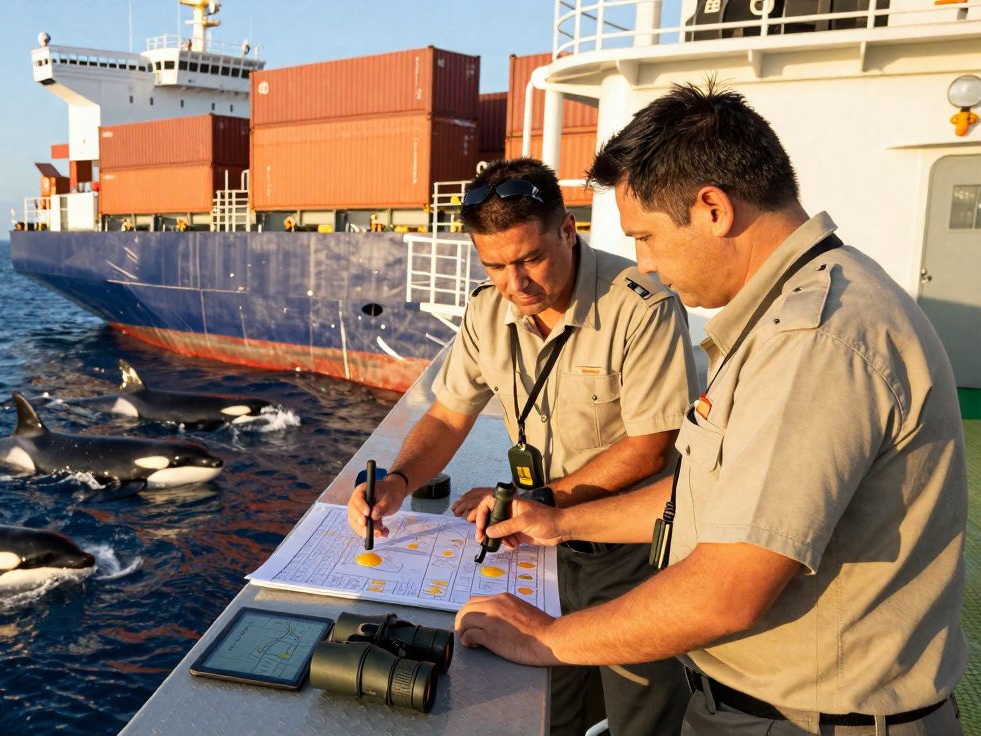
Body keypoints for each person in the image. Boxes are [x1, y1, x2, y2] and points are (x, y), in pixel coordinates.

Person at [455, 82, 967, 734]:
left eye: (646, 237)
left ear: (713, 209)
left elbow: (728, 589)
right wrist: (557, 521)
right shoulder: (792, 313)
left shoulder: (815, 339)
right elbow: (707, 495)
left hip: (805, 720)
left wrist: (544, 639)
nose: (645, 263)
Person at [346, 157, 697, 735]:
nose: (515, 284)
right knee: (544, 711)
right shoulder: (488, 309)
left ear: (567, 229)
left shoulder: (641, 306)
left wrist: (538, 504)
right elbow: (449, 414)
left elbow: (650, 448)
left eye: (530, 259)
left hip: (629, 554)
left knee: (640, 715)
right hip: (539, 550)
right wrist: (398, 481)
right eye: (495, 266)